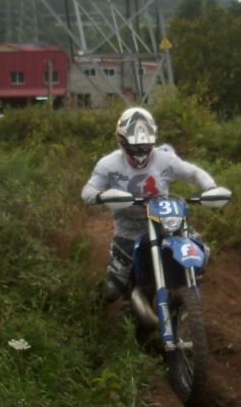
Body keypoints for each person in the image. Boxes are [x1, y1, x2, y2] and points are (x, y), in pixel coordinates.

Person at [81, 106, 217, 302]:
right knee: (111, 291)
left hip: (165, 223)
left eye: (145, 147)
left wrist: (210, 187)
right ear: (122, 141)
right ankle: (93, 317)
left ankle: (182, 294)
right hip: (128, 231)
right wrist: (102, 196)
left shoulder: (165, 159)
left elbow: (194, 172)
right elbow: (87, 191)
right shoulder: (108, 164)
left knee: (203, 253)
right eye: (135, 147)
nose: (140, 153)